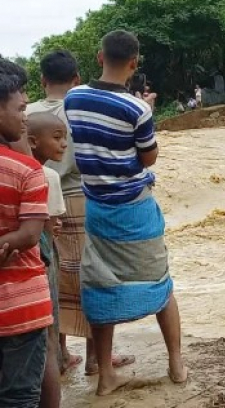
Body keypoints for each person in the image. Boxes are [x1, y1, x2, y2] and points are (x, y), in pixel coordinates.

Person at [64, 30, 187, 396]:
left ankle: (105, 377)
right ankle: (177, 364)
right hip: (134, 208)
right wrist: (145, 108)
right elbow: (148, 157)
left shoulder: (74, 98)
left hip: (97, 209)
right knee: (160, 282)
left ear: (100, 57)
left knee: (100, 285)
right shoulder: (137, 109)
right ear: (134, 64)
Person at [27, 50, 135, 376]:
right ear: (76, 78)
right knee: (94, 276)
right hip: (80, 198)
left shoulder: (28, 113)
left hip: (38, 203)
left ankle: (59, 354)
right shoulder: (80, 108)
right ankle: (94, 358)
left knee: (52, 276)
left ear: (42, 80)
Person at [0, 61, 52, 407]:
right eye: (20, 108)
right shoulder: (28, 171)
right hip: (22, 307)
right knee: (19, 397)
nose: (25, 116)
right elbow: (32, 235)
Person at [25, 112, 68, 408]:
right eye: (57, 138)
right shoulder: (47, 177)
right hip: (43, 261)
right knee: (48, 341)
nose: (64, 144)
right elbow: (51, 230)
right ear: (32, 142)